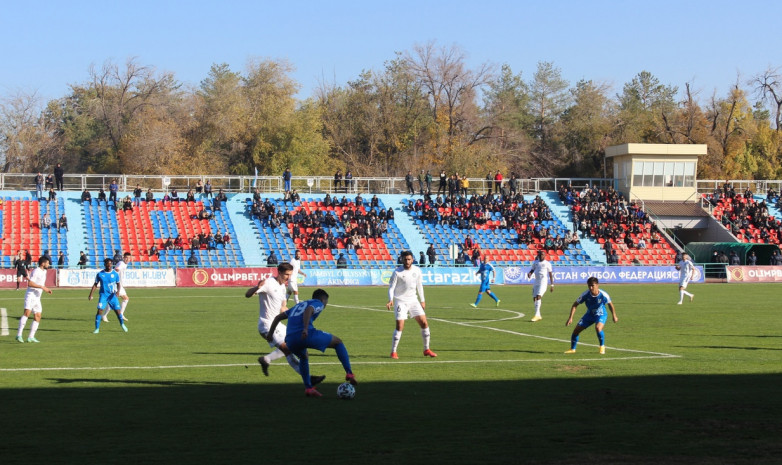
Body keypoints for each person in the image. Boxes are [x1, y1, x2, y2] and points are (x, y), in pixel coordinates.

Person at [266, 289, 357, 397]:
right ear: (323, 299)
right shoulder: (318, 303)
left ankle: (309, 388)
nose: (326, 305)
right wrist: (305, 329)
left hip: (290, 340)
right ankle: (349, 373)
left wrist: (270, 334)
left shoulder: (298, 305)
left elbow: (278, 317)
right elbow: (309, 310)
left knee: (303, 356)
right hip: (306, 334)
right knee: (338, 342)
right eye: (326, 302)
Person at [247, 263, 324, 385]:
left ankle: (266, 359)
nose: (289, 277)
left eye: (290, 275)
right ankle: (308, 378)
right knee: (288, 349)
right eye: (287, 274)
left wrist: (297, 314)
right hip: (266, 325)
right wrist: (256, 288)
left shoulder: (283, 287)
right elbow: (248, 294)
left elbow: (283, 308)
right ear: (279, 272)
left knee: (293, 345)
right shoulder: (268, 283)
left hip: (278, 325)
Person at [386, 250, 437, 359]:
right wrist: (391, 299)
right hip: (400, 300)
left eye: (409, 259)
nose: (407, 261)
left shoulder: (417, 270)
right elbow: (391, 288)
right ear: (402, 260)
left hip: (413, 300)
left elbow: (419, 286)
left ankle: (426, 349)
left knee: (424, 323)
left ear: (412, 259)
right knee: (400, 326)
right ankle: (393, 351)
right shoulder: (397, 272)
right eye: (405, 259)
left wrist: (422, 300)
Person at [564, 277, 618, 355]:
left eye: (592, 285)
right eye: (589, 285)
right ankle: (572, 349)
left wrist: (614, 315)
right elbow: (575, 305)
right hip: (589, 314)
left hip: (601, 314)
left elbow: (610, 305)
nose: (590, 287)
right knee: (576, 330)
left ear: (597, 285)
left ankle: (602, 347)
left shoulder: (603, 294)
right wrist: (570, 318)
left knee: (598, 328)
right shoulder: (585, 294)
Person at [15, 256, 53, 343]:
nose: (48, 264)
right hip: (31, 295)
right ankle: (19, 335)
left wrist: (44, 288)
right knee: (27, 313)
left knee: (38, 316)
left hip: (37, 297)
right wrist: (42, 287)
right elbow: (30, 283)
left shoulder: (45, 271)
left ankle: (31, 337)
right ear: (43, 263)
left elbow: (40, 283)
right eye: (47, 263)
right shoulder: (36, 271)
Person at [88, 258, 127, 334]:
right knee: (99, 311)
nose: (109, 265)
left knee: (118, 312)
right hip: (103, 296)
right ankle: (97, 329)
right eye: (108, 264)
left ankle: (122, 324)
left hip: (112, 296)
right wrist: (90, 295)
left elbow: (118, 284)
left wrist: (118, 292)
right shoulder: (100, 274)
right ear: (105, 264)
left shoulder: (115, 274)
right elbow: (95, 285)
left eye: (110, 263)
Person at [104, 252, 132, 322]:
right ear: (123, 258)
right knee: (113, 301)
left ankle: (121, 314)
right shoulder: (121, 263)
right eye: (126, 258)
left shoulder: (124, 264)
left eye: (129, 258)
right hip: (115, 285)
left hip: (119, 285)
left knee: (125, 299)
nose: (127, 259)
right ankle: (104, 315)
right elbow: (116, 270)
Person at [527, 250, 554, 322]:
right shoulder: (536, 262)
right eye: (541, 255)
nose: (542, 256)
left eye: (543, 255)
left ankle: (536, 315)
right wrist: (529, 273)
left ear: (545, 256)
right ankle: (538, 315)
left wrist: (552, 285)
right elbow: (532, 269)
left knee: (538, 296)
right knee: (534, 298)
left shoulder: (547, 263)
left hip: (543, 282)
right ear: (539, 255)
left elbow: (550, 274)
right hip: (536, 281)